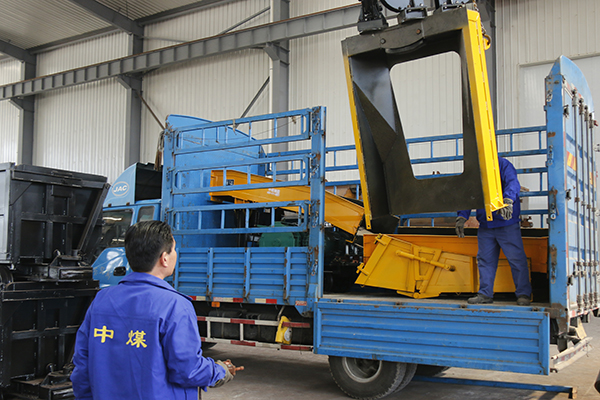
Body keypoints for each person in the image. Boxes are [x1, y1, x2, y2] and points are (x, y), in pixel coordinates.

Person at [71, 220, 241, 399]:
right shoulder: (175, 306)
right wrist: (219, 370)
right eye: (173, 249)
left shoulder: (101, 301)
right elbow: (188, 370)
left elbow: (82, 366)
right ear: (164, 258)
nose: (176, 254)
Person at [455, 157, 532, 306]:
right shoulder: (477, 168)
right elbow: (469, 192)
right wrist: (462, 215)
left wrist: (508, 200)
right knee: (485, 260)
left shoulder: (503, 165)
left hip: (506, 224)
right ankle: (485, 294)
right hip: (486, 226)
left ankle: (523, 294)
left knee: (516, 259)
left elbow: (513, 183)